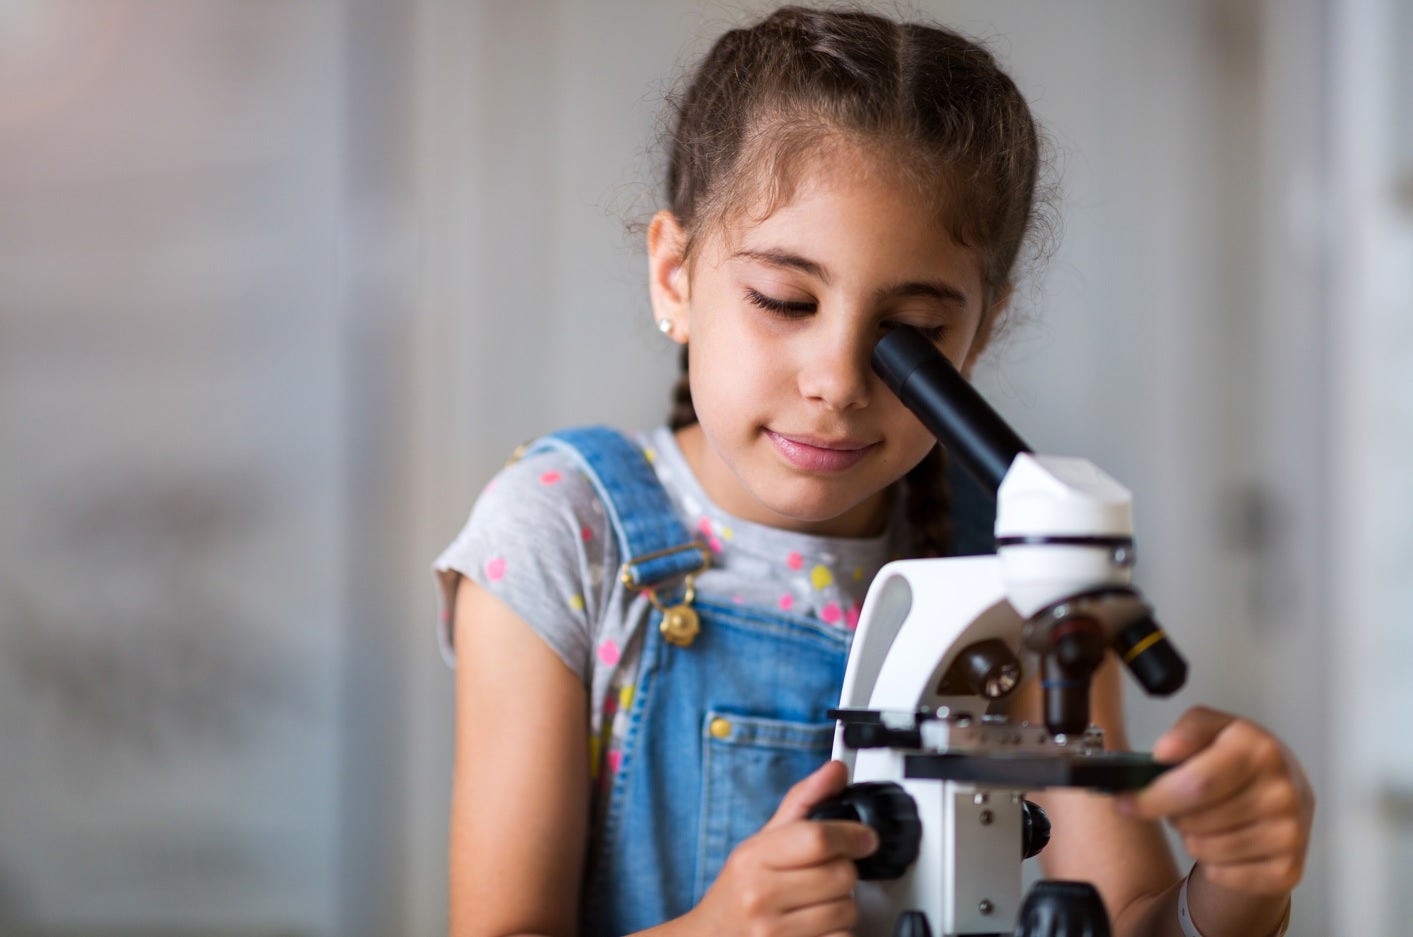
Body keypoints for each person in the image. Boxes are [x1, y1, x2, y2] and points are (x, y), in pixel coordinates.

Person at [433, 6, 1314, 937]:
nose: (839, 381)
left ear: (980, 331)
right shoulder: (561, 535)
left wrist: (1238, 886)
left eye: (915, 337)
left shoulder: (1016, 558)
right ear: (674, 277)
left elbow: (1126, 917)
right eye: (784, 299)